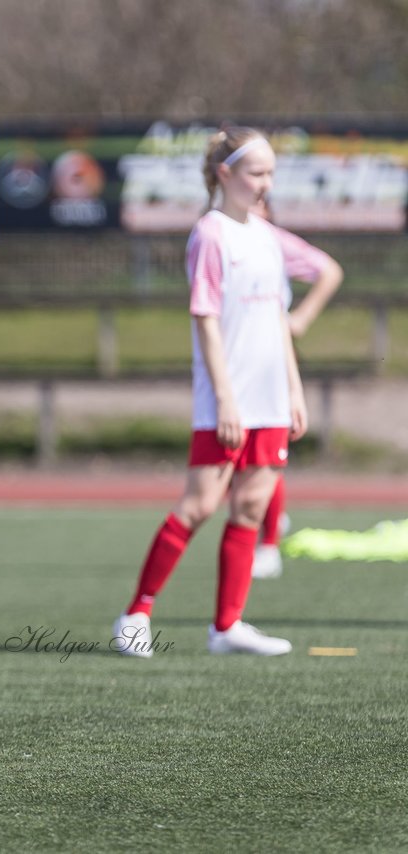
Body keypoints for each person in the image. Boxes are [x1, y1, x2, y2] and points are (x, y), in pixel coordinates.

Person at [112, 126, 327, 658]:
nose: (266, 183)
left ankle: (226, 627)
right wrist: (226, 399)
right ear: (224, 174)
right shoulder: (210, 233)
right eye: (257, 173)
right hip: (227, 399)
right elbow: (206, 320)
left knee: (252, 507)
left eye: (271, 173)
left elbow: (278, 320)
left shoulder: (266, 234)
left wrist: (293, 390)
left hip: (272, 396)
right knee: (200, 504)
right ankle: (136, 613)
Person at [247, 196, 343, 580]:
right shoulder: (217, 238)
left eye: (259, 200)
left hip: (272, 358)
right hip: (234, 360)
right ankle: (270, 516)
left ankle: (269, 543)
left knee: (267, 454)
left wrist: (300, 318)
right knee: (239, 456)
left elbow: (329, 271)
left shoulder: (271, 241)